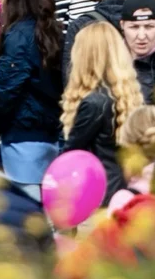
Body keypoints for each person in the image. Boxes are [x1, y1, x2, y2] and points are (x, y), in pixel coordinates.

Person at [0, 0, 66, 182]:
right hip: (48, 130)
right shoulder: (51, 29)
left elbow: (9, 89)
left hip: (23, 133)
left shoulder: (18, 37)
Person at [59, 21, 143, 206]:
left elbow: (69, 155)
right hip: (124, 191)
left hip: (99, 196)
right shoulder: (129, 94)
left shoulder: (94, 104)